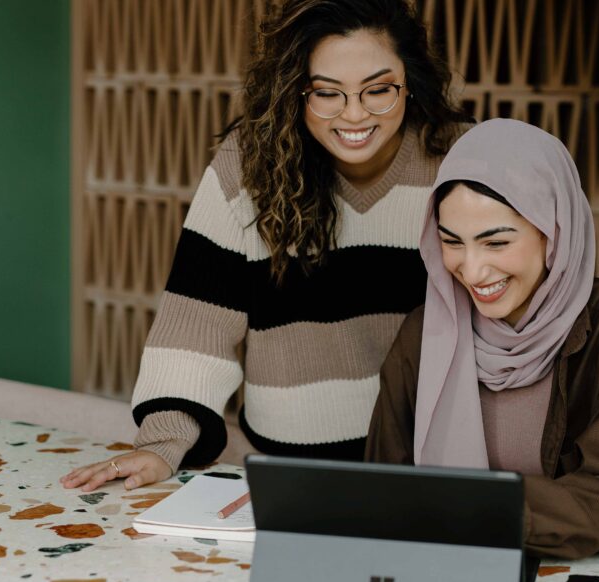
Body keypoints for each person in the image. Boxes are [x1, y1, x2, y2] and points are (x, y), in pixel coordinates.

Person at [62, 0, 469, 492]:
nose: (355, 114)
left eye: (379, 90)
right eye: (327, 93)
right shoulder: (247, 168)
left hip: (427, 468)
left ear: (411, 83)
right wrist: (162, 445)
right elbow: (197, 326)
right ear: (294, 92)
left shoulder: (458, 162)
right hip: (283, 473)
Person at [365, 119, 599, 560]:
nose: (472, 269)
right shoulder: (425, 335)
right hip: (467, 570)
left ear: (553, 230)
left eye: (496, 243)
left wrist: (472, 508)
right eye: (452, 242)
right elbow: (382, 482)